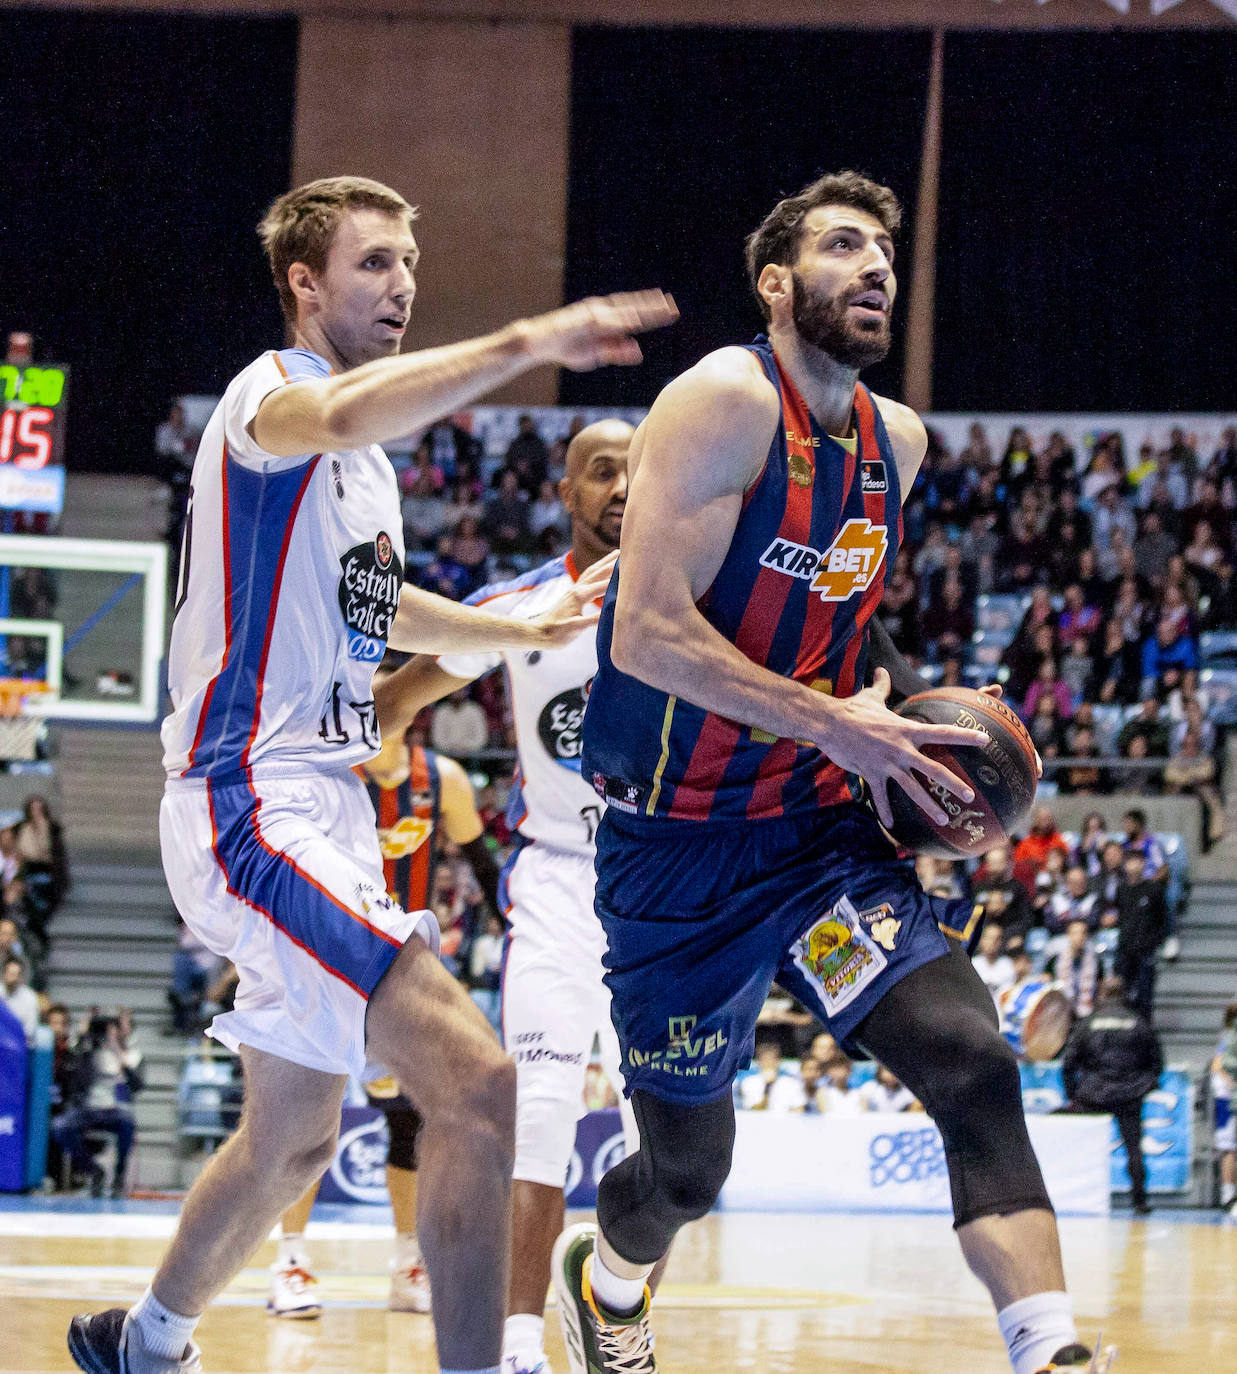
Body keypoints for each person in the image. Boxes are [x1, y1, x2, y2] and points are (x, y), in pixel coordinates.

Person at [66, 174, 676, 1374]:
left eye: (408, 262)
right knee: (479, 1083)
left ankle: (144, 1341)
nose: (401, 285)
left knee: (292, 1137)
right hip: (250, 797)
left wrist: (521, 628)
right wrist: (529, 340)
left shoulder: (366, 479)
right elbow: (340, 417)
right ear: (305, 283)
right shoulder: (270, 397)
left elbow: (372, 602)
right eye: (373, 265)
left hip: (324, 804)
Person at [565, 172, 1109, 1374]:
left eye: (885, 252)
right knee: (686, 1177)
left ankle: (1052, 1349)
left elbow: (842, 624)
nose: (875, 268)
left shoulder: (895, 444)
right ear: (775, 283)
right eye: (842, 245)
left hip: (816, 841)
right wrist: (837, 725)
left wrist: (919, 735)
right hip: (677, 851)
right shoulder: (720, 398)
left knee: (971, 1060)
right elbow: (648, 632)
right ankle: (607, 1282)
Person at [358, 419, 641, 1374]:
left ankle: (604, 1291)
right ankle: (519, 1348)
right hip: (557, 879)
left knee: (675, 1156)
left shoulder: (697, 599)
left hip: (666, 888)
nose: (624, 487)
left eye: (641, 469)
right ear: (564, 492)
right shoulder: (521, 605)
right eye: (603, 471)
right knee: (543, 1113)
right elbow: (397, 700)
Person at [267, 701, 502, 1319]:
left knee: (409, 1122)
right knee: (308, 1119)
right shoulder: (329, 774)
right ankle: (290, 1259)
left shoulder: (442, 779)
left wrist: (518, 926)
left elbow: (485, 865)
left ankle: (408, 1263)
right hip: (331, 960)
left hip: (406, 970)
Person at [1062, 977, 1163, 1216]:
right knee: (1133, 1148)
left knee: (1083, 1149)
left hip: (1093, 1095)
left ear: (1102, 994)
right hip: (1130, 1094)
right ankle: (1140, 1201)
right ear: (1124, 994)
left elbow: (1069, 1063)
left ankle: (1078, 1197)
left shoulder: (1087, 1023)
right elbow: (1157, 1062)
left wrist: (1073, 1094)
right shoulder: (1138, 1022)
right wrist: (1143, 1087)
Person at [53, 1012, 144, 1197]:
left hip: (113, 1110)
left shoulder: (129, 1054)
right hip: (87, 1109)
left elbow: (137, 1086)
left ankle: (119, 1174)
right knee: (59, 1127)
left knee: (128, 1123)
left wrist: (117, 1052)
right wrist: (81, 1037)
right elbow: (70, 1073)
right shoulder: (86, 1052)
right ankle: (94, 1170)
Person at [1113, 849, 1168, 1020]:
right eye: (1130, 861)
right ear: (1125, 865)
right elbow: (1120, 916)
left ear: (1144, 864)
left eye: (1138, 861)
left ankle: (1145, 1031)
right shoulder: (1121, 890)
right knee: (1123, 994)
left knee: (1145, 996)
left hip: (1145, 951)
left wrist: (1155, 942)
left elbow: (1162, 919)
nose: (1134, 865)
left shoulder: (1154, 890)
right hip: (1125, 949)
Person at [972, 923, 1016, 1004]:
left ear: (1001, 942)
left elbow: (1008, 996)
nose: (992, 942)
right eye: (989, 938)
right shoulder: (973, 965)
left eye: (997, 939)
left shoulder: (1007, 965)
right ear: (982, 940)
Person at [0, 955, 39, 1040]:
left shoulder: (30, 997)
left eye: (16, 975)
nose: (13, 979)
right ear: (4, 974)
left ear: (21, 976)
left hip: (18, 1042)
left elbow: (30, 1030)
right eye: (11, 974)